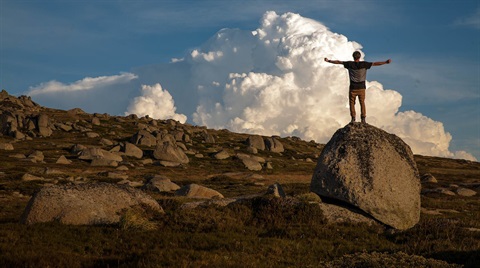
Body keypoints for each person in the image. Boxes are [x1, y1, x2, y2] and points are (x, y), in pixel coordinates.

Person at [324, 51, 391, 123]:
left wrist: (329, 61)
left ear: (353, 57)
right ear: (359, 57)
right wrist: (385, 62)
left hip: (353, 88)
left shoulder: (349, 64)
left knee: (352, 103)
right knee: (362, 102)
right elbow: (375, 63)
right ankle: (363, 118)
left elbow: (339, 62)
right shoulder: (364, 64)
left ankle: (353, 118)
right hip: (361, 87)